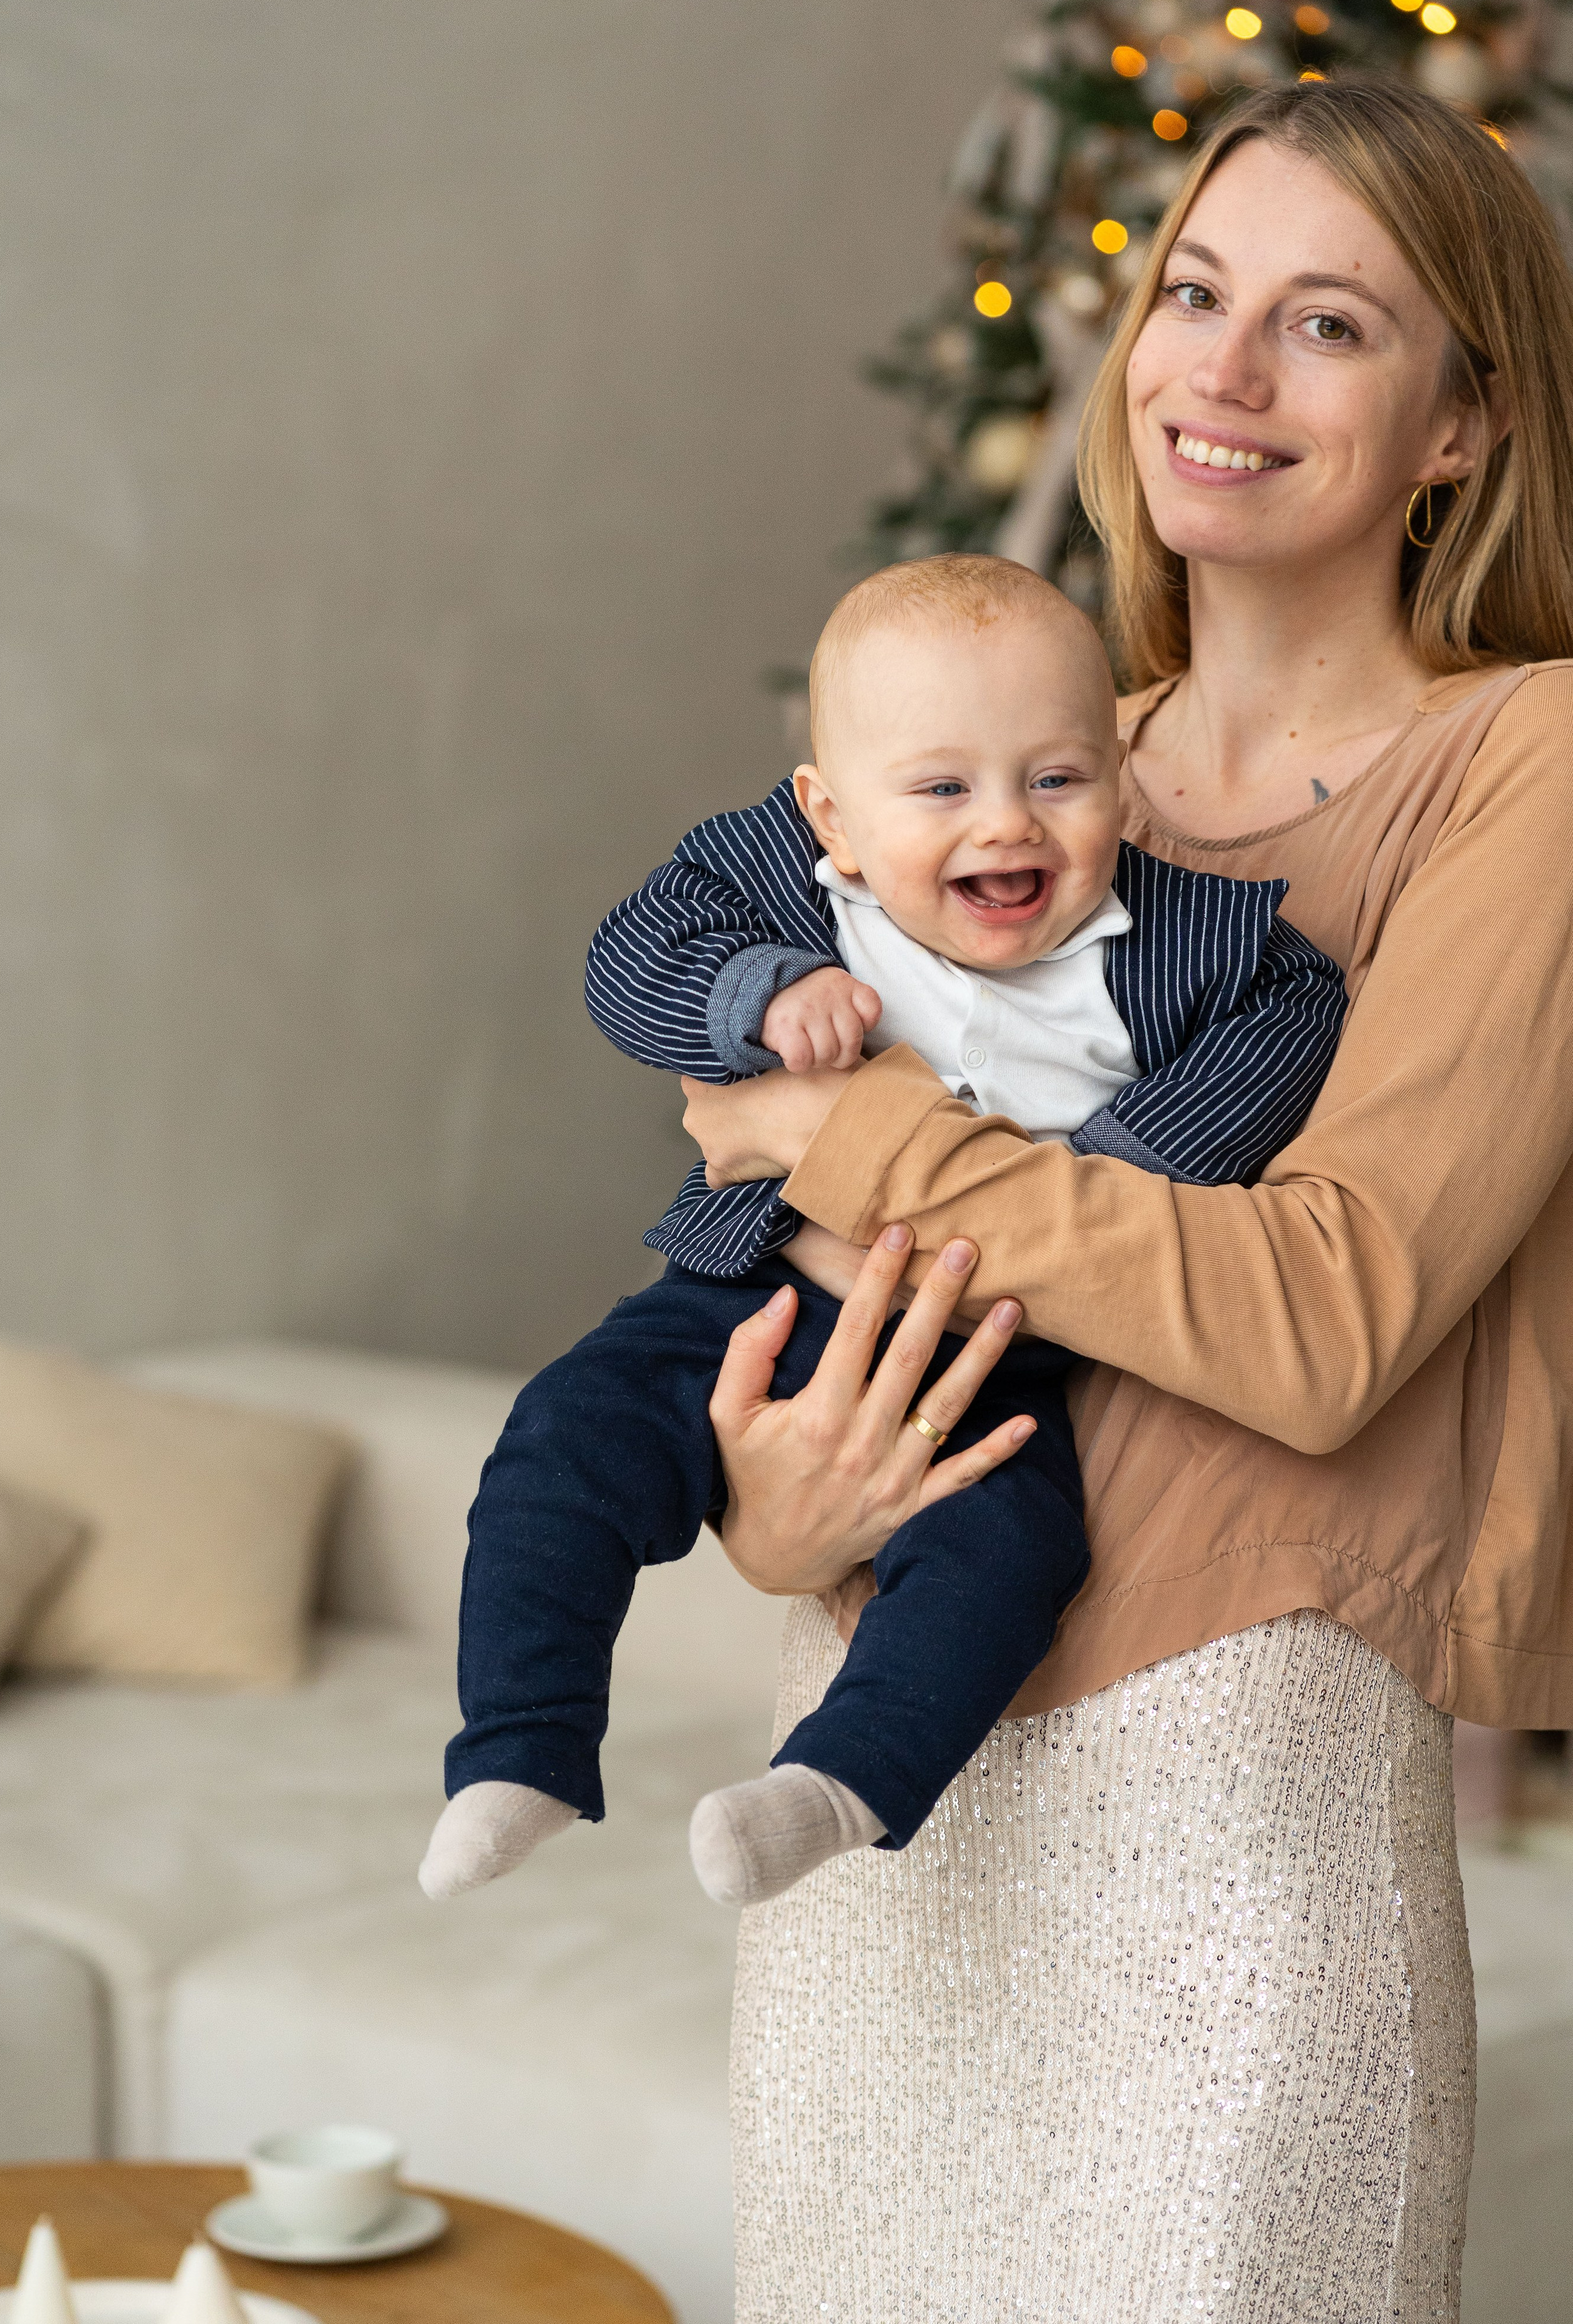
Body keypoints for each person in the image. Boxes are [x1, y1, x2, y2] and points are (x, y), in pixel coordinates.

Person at [679, 76, 1573, 2320]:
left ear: (1465, 425)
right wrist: (779, 1508)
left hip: (1234, 1851)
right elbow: (769, 1268)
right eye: (1194, 290)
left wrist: (860, 1135)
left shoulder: (1531, 764)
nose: (1224, 367)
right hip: (875, 1805)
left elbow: (1330, 1310)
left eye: (1331, 324)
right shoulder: (1020, 749)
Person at [419, 556, 1345, 1909]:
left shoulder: (1199, 943)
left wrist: (1117, 1173)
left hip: (997, 1353)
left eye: (1054, 779)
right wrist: (757, 991)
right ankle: (522, 1751)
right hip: (749, 1301)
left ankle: (836, 1785)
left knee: (1008, 1559)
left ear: (1119, 782)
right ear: (831, 814)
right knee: (560, 1444)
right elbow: (625, 956)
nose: (1005, 826)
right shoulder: (780, 888)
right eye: (939, 788)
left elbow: (1291, 1013)